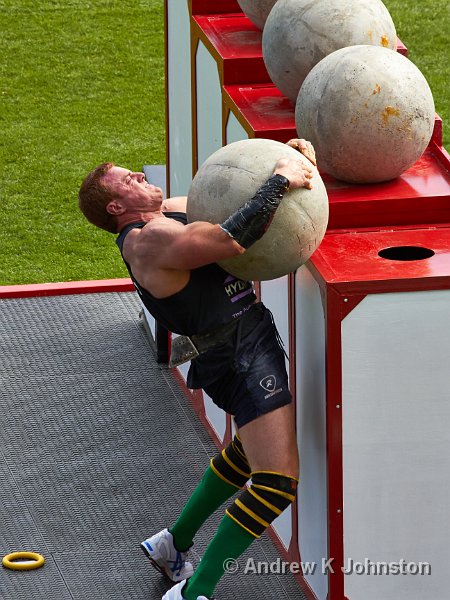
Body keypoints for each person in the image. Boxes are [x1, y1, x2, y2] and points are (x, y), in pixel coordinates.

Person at [78, 139, 317, 600]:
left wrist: (288, 161)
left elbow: (241, 202)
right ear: (116, 206)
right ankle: (194, 591)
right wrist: (281, 179)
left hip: (240, 344)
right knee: (277, 482)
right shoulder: (151, 240)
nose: (140, 176)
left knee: (249, 455)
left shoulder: (162, 214)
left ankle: (173, 543)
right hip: (239, 357)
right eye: (129, 180)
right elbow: (231, 236)